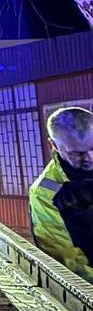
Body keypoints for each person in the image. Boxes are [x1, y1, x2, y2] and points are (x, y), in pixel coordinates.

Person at [29, 105, 93, 282]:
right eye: (76, 153)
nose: (89, 158)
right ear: (54, 145)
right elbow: (67, 261)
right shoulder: (45, 193)